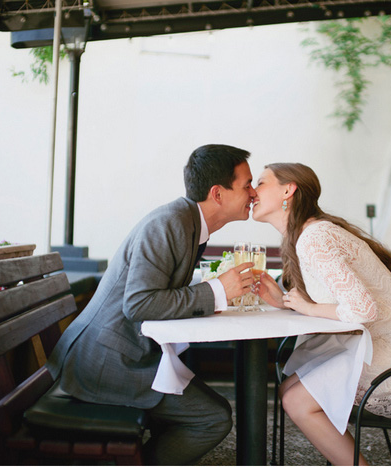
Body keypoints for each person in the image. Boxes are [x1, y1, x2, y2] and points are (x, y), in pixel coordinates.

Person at [46, 144, 257, 465]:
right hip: (104, 363)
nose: (253, 194)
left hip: (120, 352)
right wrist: (215, 290)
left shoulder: (188, 223)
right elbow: (140, 304)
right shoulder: (169, 223)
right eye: (247, 185)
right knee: (213, 418)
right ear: (218, 193)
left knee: (216, 410)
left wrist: (214, 293)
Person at [253, 162, 391, 466]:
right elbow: (336, 299)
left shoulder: (314, 237)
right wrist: (285, 303)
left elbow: (362, 309)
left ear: (288, 190)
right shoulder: (306, 234)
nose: (253, 191)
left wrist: (305, 307)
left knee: (296, 400)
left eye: (261, 182)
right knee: (289, 387)